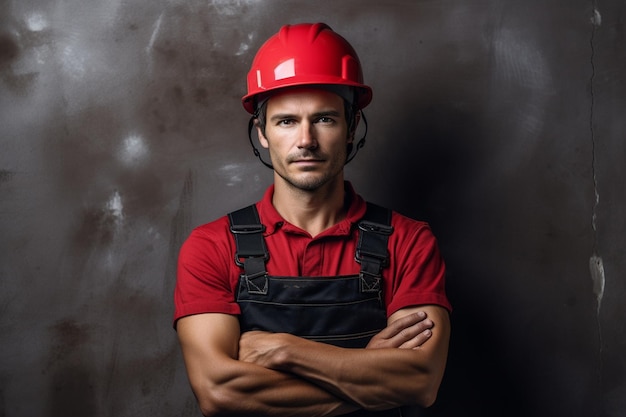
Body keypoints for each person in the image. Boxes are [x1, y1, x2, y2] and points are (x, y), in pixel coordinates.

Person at [173, 22, 451, 417]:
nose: (306, 140)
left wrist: (284, 350)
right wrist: (367, 373)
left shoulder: (408, 242)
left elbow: (420, 382)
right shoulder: (212, 246)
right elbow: (220, 392)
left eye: (324, 119)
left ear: (352, 126)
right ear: (263, 133)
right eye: (287, 121)